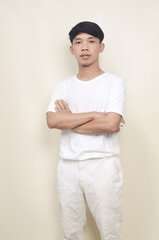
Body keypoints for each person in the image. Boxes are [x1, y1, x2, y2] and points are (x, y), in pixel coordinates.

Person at [46, 21, 126, 240]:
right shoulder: (62, 86)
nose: (84, 47)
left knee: (110, 231)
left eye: (91, 41)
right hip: (67, 167)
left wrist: (69, 119)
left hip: (103, 165)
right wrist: (94, 115)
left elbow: (111, 124)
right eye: (78, 42)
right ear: (71, 49)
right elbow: (52, 121)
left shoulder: (114, 83)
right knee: (71, 232)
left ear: (101, 47)